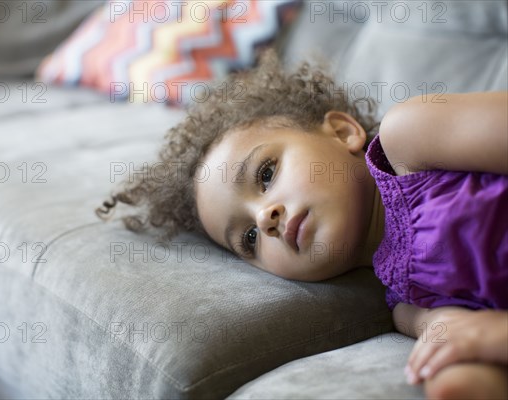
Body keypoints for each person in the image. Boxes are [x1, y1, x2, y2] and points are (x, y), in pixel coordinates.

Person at [96, 50, 508, 399]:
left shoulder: (412, 136)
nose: (264, 217)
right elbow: (451, 335)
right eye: (250, 238)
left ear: (342, 132)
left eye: (266, 173)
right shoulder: (404, 303)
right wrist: (451, 341)